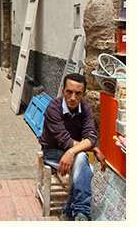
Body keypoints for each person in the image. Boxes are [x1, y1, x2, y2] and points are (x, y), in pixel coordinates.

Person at [39, 73, 100, 221]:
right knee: (83, 162)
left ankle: (76, 212)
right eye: (69, 92)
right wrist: (91, 148)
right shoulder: (53, 108)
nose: (73, 97)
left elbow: (91, 136)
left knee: (80, 159)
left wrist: (73, 151)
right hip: (52, 151)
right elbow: (65, 140)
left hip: (74, 151)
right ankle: (80, 212)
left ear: (83, 94)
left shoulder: (85, 108)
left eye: (78, 93)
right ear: (63, 90)